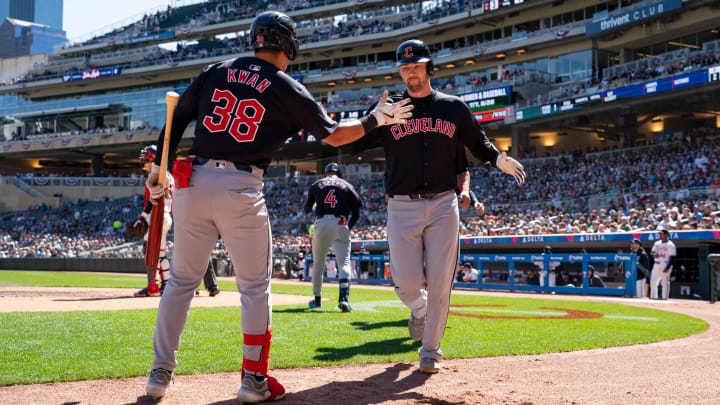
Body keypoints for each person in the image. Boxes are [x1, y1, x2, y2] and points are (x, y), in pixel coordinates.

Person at [143, 11, 413, 401]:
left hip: (193, 183)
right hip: (240, 186)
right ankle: (253, 380)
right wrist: (375, 120)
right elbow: (335, 136)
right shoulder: (286, 86)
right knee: (254, 287)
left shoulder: (217, 69)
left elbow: (177, 117)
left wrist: (158, 169)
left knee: (181, 283)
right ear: (287, 44)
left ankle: (159, 373)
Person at [346, 39, 525, 374]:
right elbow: (353, 143)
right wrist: (373, 119)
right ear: (399, 71)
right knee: (406, 283)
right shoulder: (391, 109)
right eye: (405, 67)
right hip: (401, 205)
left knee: (443, 280)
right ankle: (417, 307)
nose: (411, 71)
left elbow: (477, 141)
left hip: (444, 203)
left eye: (417, 65)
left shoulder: (453, 107)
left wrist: (497, 159)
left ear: (428, 68)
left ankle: (430, 349)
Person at [304, 162, 361, 312]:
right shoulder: (347, 185)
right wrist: (349, 226)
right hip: (341, 222)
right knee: (344, 263)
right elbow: (357, 210)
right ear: (339, 174)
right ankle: (344, 299)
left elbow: (307, 208)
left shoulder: (316, 184)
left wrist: (313, 222)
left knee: (318, 263)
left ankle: (317, 300)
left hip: (321, 222)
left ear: (326, 173)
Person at [130, 145, 174, 297]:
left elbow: (153, 199)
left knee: (151, 253)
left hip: (157, 216)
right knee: (160, 253)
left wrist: (143, 216)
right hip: (167, 216)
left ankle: (152, 287)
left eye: (147, 162)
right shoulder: (169, 175)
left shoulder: (157, 176)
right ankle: (167, 285)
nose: (146, 165)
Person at [650, 229, 676, 300]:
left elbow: (672, 257)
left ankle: (665, 297)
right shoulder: (657, 243)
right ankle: (653, 297)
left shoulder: (671, 245)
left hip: (665, 263)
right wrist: (654, 254)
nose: (661, 235)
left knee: (664, 282)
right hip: (656, 264)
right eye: (660, 234)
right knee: (653, 282)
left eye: (662, 234)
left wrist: (667, 267)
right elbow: (652, 252)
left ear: (666, 235)